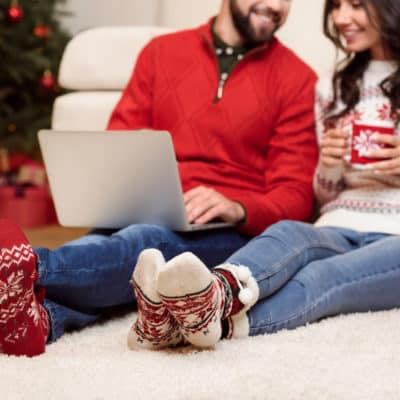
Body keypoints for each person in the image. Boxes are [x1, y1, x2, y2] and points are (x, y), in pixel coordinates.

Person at [0, 0, 318, 357]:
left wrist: (238, 207)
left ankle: (26, 265)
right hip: (148, 203)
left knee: (142, 241)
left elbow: (296, 195)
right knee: (114, 243)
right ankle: (42, 318)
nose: (275, 6)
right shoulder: (161, 53)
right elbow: (119, 142)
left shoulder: (298, 79)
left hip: (226, 229)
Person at [127, 0, 400, 351]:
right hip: (340, 222)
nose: (341, 18)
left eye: (357, 5)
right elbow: (326, 194)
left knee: (321, 278)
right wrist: (329, 165)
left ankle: (200, 326)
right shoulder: (333, 87)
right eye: (336, 6)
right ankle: (214, 296)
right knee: (285, 233)